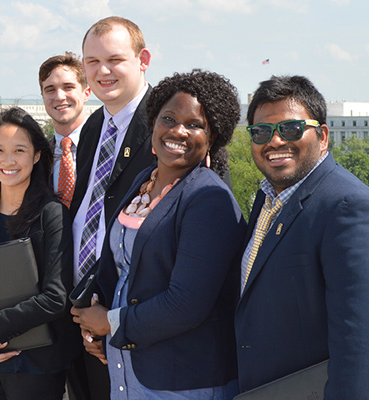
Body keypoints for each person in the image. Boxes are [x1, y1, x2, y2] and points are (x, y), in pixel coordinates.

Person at [235, 75, 369, 399]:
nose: (275, 142)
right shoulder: (269, 198)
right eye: (261, 132)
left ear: (323, 136)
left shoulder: (353, 211)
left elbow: (364, 353)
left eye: (290, 129)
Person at [71, 70, 244, 399]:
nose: (178, 130)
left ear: (213, 137)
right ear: (153, 124)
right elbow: (122, 269)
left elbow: (186, 304)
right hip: (129, 369)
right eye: (168, 118)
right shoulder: (143, 182)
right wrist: (95, 322)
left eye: (195, 124)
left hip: (181, 381)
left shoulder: (209, 199)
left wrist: (110, 323)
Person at [0, 107, 80, 400]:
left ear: (37, 155)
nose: (8, 161)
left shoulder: (52, 214)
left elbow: (55, 297)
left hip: (37, 363)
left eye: (19, 150)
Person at [70, 16, 156, 400]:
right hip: (83, 309)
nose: (102, 71)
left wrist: (109, 313)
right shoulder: (92, 128)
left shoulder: (168, 125)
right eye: (92, 62)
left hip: (134, 318)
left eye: (115, 60)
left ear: (143, 60)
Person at [39, 52, 91, 208]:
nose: (59, 96)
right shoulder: (39, 158)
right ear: (42, 96)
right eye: (50, 90)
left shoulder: (104, 149)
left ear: (86, 93)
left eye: (68, 87)